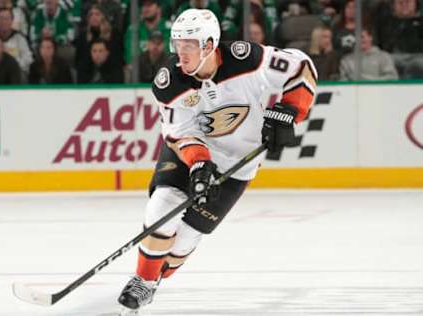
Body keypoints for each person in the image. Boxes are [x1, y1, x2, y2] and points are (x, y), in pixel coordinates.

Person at [117, 8, 317, 315]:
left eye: (188, 46)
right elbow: (179, 134)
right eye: (177, 45)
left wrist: (291, 110)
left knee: (183, 243)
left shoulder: (246, 59)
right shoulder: (169, 81)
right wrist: (199, 163)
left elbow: (301, 67)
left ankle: (156, 278)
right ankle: (142, 281)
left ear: (209, 45)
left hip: (238, 164)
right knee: (163, 205)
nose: (179, 54)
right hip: (190, 153)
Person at [0, 8, 33, 74]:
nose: (4, 22)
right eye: (1, 18)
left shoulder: (20, 37)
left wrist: (13, 66)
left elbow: (28, 58)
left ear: (12, 21)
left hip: (16, 71)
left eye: (7, 19)